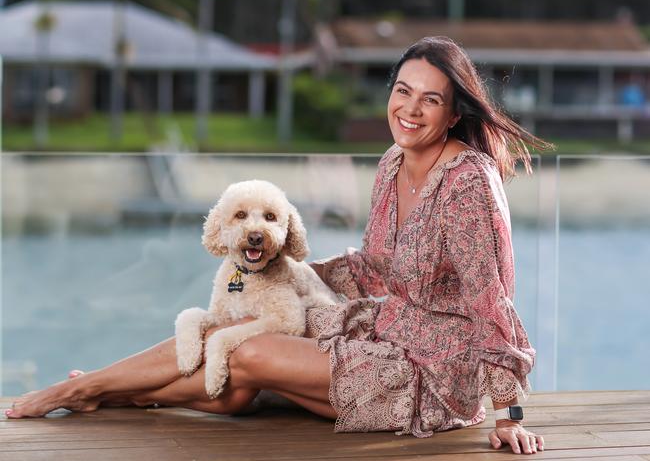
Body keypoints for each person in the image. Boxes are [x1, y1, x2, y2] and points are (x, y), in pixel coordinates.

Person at [6, 36, 549, 455]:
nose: (410, 108)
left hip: (434, 372)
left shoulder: (469, 181)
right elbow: (374, 267)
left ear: (454, 114)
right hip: (380, 332)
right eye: (402, 91)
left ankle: (91, 391)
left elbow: (490, 298)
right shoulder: (391, 162)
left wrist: (510, 414)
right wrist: (287, 270)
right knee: (237, 376)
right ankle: (101, 388)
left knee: (247, 352)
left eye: (431, 99)